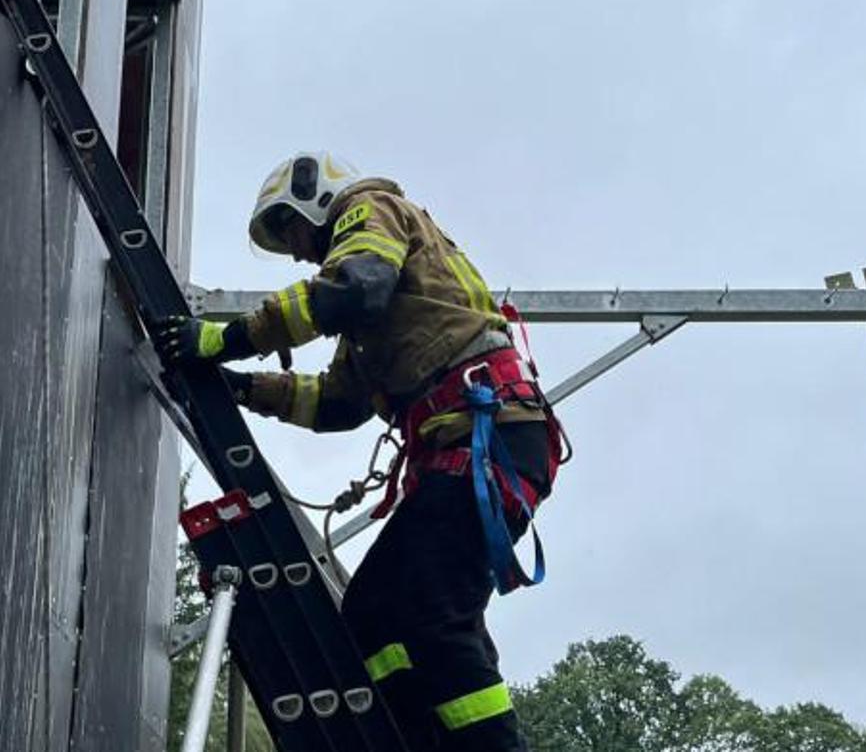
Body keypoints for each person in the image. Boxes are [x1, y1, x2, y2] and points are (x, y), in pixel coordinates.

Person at [159, 151, 564, 751]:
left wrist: (224, 340)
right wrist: (244, 389)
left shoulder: (370, 212)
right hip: (471, 449)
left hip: (486, 441)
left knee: (432, 612)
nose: (297, 250)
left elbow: (353, 291)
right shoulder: (371, 318)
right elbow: (337, 404)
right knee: (373, 616)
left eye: (291, 229)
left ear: (316, 199)